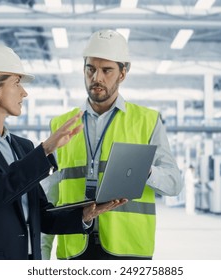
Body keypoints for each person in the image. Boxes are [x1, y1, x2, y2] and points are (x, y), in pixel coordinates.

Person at [0, 43, 126, 260]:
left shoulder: (22, 147)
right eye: (17, 83)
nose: (24, 92)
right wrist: (46, 149)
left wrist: (85, 214)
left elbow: (42, 215)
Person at [41, 30, 182, 260]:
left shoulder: (147, 121)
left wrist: (145, 171)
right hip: (74, 248)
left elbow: (174, 184)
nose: (97, 77)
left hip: (129, 250)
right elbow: (50, 195)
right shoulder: (62, 125)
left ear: (123, 73)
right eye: (91, 69)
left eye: (107, 70)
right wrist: (42, 256)